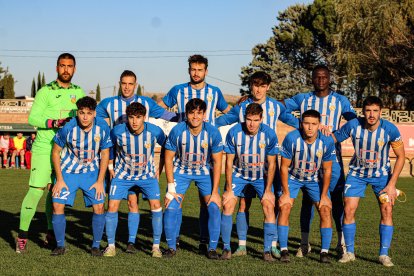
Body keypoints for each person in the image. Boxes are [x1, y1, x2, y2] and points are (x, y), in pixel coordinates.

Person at [216, 71, 297, 258]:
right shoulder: (242, 106)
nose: (258, 89)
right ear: (250, 86)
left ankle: (273, 245)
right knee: (243, 203)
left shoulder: (276, 106)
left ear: (268, 87)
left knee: (272, 203)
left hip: (267, 165)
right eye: (255, 85)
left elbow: (293, 121)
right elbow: (225, 120)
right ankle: (242, 245)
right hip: (243, 164)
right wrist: (206, 122)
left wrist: (316, 126)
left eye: (262, 86)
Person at [96, 70, 177, 253]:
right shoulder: (109, 105)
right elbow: (92, 117)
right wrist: (110, 165)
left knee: (149, 205)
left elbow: (165, 116)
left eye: (130, 83)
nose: (127, 87)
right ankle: (115, 245)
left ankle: (153, 246)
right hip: (121, 168)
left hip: (145, 170)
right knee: (127, 203)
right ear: (119, 83)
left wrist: (185, 118)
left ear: (135, 84)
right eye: (124, 83)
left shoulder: (147, 106)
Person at [282, 64, 357, 257]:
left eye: (324, 77)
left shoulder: (340, 100)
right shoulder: (303, 98)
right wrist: (301, 124)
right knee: (308, 202)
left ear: (329, 78)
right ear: (312, 79)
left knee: (335, 203)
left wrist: (335, 136)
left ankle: (341, 244)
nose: (321, 80)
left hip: (333, 161)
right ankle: (305, 243)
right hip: (306, 162)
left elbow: (353, 122)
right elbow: (282, 111)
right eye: (317, 77)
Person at [159, 54, 230, 252]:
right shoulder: (178, 90)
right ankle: (174, 242)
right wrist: (175, 118)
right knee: (174, 202)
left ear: (206, 71)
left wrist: (218, 123)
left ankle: (206, 241)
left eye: (200, 69)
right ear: (189, 70)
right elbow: (159, 108)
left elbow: (228, 112)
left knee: (209, 204)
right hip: (182, 158)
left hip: (205, 161)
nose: (196, 73)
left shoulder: (215, 92)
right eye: (193, 69)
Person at [16, 53, 85, 254]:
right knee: (36, 190)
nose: (66, 69)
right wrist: (53, 123)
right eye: (62, 66)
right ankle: (22, 236)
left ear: (74, 69)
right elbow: (33, 118)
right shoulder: (45, 91)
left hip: (66, 151)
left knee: (55, 192)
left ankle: (50, 234)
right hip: (44, 147)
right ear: (57, 68)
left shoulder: (78, 92)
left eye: (70, 66)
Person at [333, 96, 405, 267]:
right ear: (362, 112)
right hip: (356, 174)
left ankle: (384, 254)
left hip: (382, 176)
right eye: (368, 111)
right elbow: (332, 139)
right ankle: (349, 252)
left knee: (387, 210)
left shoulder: (390, 129)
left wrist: (392, 184)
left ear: (381, 112)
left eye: (375, 111)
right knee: (349, 209)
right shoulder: (353, 125)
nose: (371, 115)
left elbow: (401, 156)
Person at [103, 102, 166, 258]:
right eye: (131, 117)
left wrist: (160, 168)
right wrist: (111, 167)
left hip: (147, 176)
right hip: (123, 176)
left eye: (138, 117)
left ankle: (155, 247)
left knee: (156, 206)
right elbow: (108, 146)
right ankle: (111, 246)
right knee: (113, 206)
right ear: (127, 118)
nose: (135, 121)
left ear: (144, 117)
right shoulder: (117, 131)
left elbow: (167, 145)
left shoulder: (154, 131)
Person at [50, 96, 111, 256]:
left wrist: (100, 181)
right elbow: (55, 152)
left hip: (91, 173)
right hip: (68, 173)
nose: (85, 117)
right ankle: (60, 245)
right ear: (77, 112)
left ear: (94, 114)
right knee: (57, 206)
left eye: (89, 113)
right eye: (82, 112)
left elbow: (105, 153)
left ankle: (95, 246)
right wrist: (60, 179)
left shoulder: (102, 127)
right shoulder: (68, 128)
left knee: (99, 207)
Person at [163, 98, 223, 259]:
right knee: (171, 205)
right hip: (181, 171)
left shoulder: (213, 132)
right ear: (187, 114)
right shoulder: (177, 131)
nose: (195, 116)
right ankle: (171, 246)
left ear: (204, 115)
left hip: (204, 172)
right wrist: (170, 187)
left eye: (199, 113)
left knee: (214, 206)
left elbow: (217, 161)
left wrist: (216, 190)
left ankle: (211, 248)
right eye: (191, 112)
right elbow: (168, 158)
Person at [220, 103, 278, 262]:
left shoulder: (269, 134)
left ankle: (267, 251)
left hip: (261, 176)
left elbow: (272, 164)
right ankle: (226, 248)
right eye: (248, 119)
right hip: (239, 174)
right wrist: (228, 189)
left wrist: (268, 190)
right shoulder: (234, 132)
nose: (251, 124)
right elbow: (229, 161)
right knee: (228, 203)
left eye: (255, 120)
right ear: (244, 118)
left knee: (268, 205)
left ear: (261, 119)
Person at [278, 109, 335, 263]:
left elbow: (327, 169)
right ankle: (283, 250)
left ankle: (324, 252)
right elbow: (283, 167)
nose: (310, 127)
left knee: (325, 208)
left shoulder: (327, 141)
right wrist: (285, 192)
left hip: (313, 179)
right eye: (306, 123)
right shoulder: (291, 138)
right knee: (285, 206)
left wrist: (324, 195)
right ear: (301, 124)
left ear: (319, 125)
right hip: (293, 177)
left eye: (314, 124)